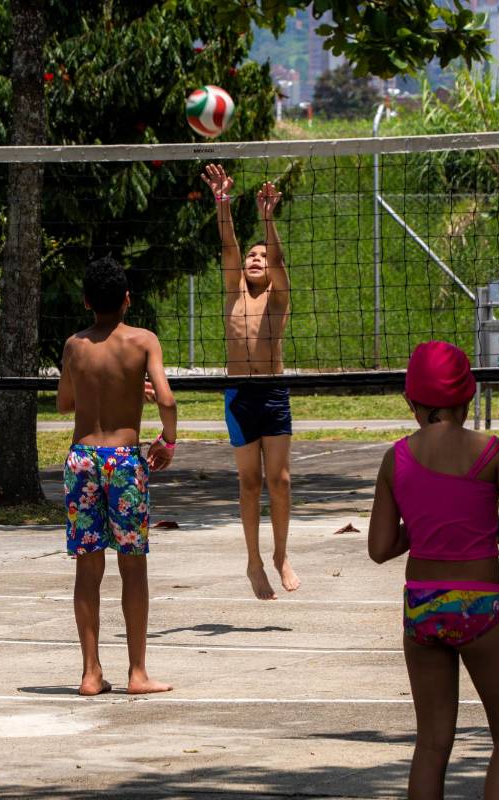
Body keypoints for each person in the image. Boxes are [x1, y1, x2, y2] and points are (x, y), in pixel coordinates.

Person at [367, 341, 499, 800]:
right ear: (468, 398)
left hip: (423, 607)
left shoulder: (397, 458)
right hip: (479, 606)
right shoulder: (491, 451)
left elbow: (380, 548)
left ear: (411, 401)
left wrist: (421, 528)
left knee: (431, 743)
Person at [57, 255, 177, 696]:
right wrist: (168, 440)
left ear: (87, 301)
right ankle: (137, 673)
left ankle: (90, 674)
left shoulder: (74, 345)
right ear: (128, 299)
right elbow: (166, 399)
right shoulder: (143, 341)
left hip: (83, 459)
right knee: (133, 567)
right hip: (125, 461)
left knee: (88, 568)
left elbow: (65, 404)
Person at [202, 163, 297, 600]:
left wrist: (267, 219)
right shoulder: (233, 294)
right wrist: (223, 201)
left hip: (273, 391)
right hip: (240, 393)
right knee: (249, 482)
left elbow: (276, 258)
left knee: (279, 481)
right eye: (252, 257)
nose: (256, 260)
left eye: (262, 256)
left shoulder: (277, 301)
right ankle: (254, 562)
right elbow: (227, 244)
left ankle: (280, 555)